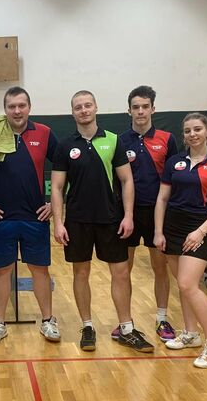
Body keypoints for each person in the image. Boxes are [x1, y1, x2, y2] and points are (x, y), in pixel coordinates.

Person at [50, 90, 153, 353]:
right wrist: (58, 223)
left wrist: (128, 216)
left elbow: (126, 180)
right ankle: (87, 326)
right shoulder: (64, 146)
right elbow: (57, 188)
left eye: (88, 105)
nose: (83, 110)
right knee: (80, 273)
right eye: (78, 107)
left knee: (121, 272)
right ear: (72, 112)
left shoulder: (113, 140)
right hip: (77, 221)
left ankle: (126, 329)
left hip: (111, 219)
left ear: (96, 108)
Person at [0, 86, 59, 345]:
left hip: (35, 217)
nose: (17, 111)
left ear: (29, 107)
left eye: (21, 105)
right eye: (11, 106)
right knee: (1, 271)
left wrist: (53, 204)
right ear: (5, 109)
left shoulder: (44, 133)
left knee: (40, 270)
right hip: (1, 218)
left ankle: (48, 321)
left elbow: (65, 169)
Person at [154, 113, 207, 368]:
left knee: (188, 284)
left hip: (199, 229)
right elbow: (162, 199)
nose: (192, 134)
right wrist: (158, 231)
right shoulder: (174, 162)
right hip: (172, 228)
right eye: (188, 131)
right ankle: (190, 333)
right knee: (183, 285)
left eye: (197, 129)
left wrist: (201, 231)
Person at [114, 85, 179, 343]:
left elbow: (174, 177)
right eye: (136, 107)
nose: (140, 111)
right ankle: (126, 322)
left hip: (158, 215)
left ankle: (162, 318)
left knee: (160, 267)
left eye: (145, 106)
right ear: (129, 111)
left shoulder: (167, 139)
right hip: (127, 215)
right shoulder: (120, 140)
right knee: (123, 270)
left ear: (153, 109)